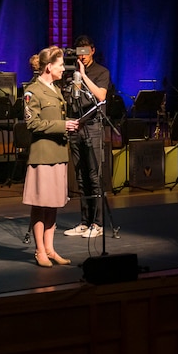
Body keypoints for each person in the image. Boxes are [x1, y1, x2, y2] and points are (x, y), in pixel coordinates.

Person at [22, 46, 79, 267]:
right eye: (60, 65)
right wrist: (62, 125)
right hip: (43, 155)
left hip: (58, 153)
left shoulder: (55, 89)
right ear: (49, 67)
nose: (63, 69)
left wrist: (71, 125)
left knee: (53, 204)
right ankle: (40, 251)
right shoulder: (32, 91)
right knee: (40, 204)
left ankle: (50, 248)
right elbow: (32, 123)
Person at [63, 35, 113, 239]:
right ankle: (84, 222)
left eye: (85, 52)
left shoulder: (101, 72)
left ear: (92, 50)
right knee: (81, 177)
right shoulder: (69, 73)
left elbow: (101, 97)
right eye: (78, 52)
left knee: (94, 176)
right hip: (76, 126)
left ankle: (98, 223)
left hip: (93, 127)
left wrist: (83, 76)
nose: (81, 56)